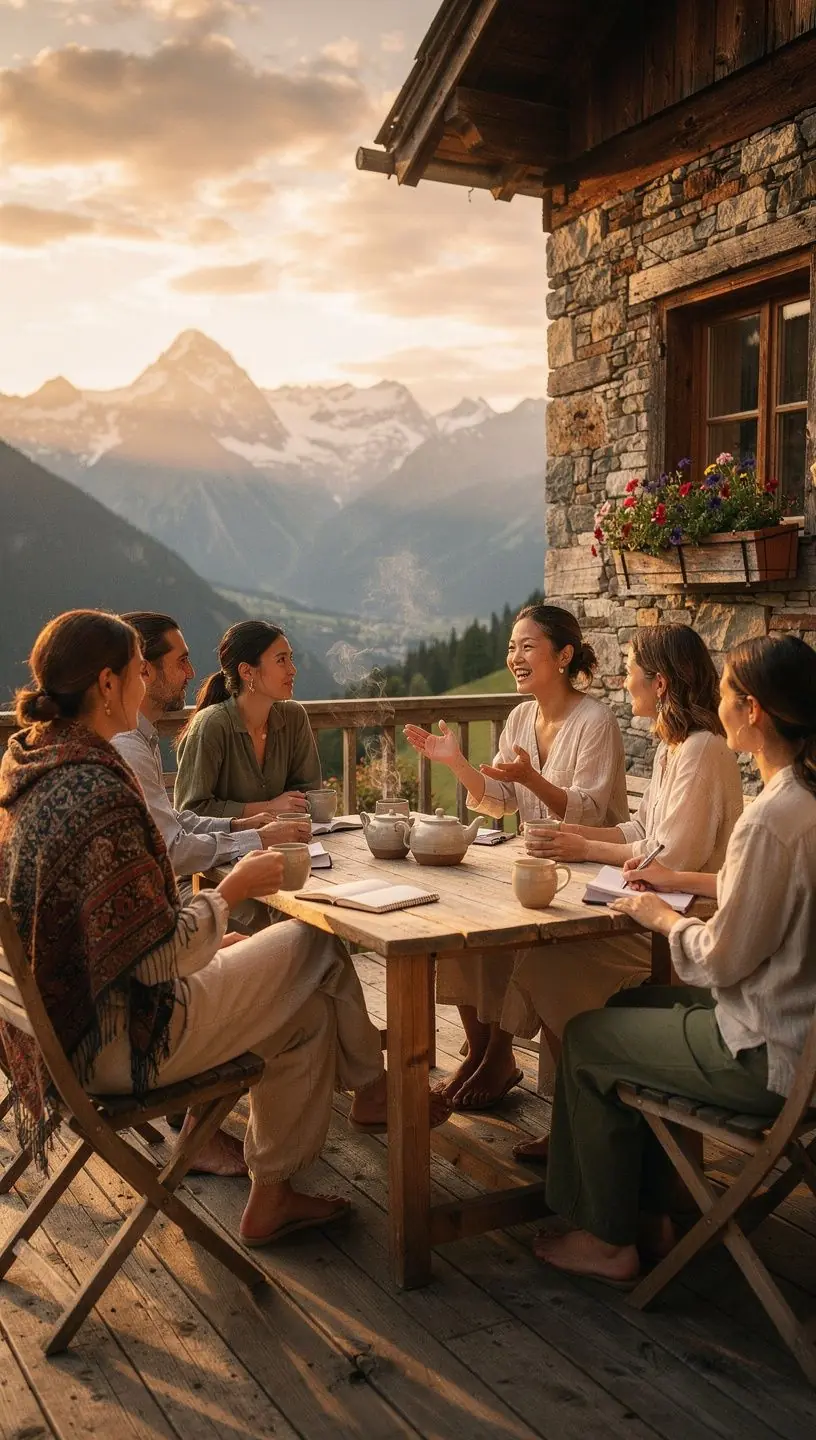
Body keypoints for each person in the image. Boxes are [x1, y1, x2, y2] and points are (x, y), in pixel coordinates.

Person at [0, 611, 448, 1246]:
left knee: (305, 1015)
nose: (147, 683)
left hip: (62, 1029)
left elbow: (122, 937)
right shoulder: (97, 790)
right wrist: (232, 892)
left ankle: (274, 1195)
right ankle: (375, 1091)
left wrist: (218, 924)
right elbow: (160, 958)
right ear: (107, 684)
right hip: (121, 1040)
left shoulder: (33, 764)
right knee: (316, 941)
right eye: (138, 672)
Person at [533, 633, 816, 1287]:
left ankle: (605, 1240)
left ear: (754, 711)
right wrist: (675, 886)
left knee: (588, 1037)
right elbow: (761, 891)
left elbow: (717, 962)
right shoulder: (802, 803)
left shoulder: (770, 819)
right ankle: (655, 1215)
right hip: (794, 1033)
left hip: (767, 1055)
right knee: (630, 1003)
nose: (717, 702)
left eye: (726, 693)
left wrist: (658, 916)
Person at [506, 623, 744, 1159]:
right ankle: (584, 1114)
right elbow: (640, 831)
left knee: (551, 960)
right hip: (656, 908)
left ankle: (595, 1116)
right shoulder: (671, 748)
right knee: (545, 954)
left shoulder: (702, 750)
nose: (623, 679)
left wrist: (583, 849)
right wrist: (575, 834)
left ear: (660, 683)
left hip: (689, 922)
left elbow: (671, 858)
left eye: (631, 669)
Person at [404, 603, 627, 1111]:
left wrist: (531, 778)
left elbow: (589, 812)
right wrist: (456, 762)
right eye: (511, 647)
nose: (515, 657)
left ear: (564, 656)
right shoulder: (521, 717)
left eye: (528, 646)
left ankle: (501, 1057)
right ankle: (486, 1052)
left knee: (515, 939)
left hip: (589, 872)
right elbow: (500, 800)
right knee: (460, 925)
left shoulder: (596, 720)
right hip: (535, 867)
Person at [113, 612, 310, 899]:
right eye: (182, 661)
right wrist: (258, 837)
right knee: (292, 919)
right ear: (144, 671)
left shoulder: (143, 738)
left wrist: (238, 825)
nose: (192, 673)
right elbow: (172, 849)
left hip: (168, 893)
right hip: (158, 903)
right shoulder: (128, 747)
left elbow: (171, 820)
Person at [174, 620, 321, 820]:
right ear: (247, 672)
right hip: (223, 840)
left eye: (291, 658)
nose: (292, 669)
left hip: (287, 836)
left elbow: (308, 792)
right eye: (281, 660)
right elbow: (190, 812)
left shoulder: (294, 717)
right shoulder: (211, 725)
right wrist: (268, 808)